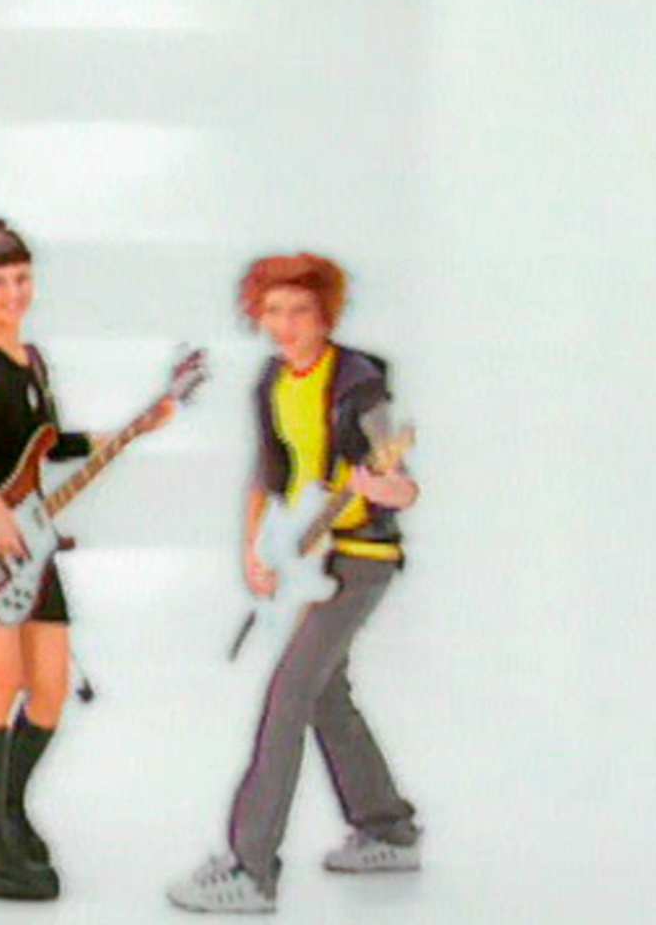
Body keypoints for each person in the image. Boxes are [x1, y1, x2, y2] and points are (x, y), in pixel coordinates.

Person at [0, 214, 174, 901]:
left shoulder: (32, 360)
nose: (13, 292)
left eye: (22, 279)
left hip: (28, 542)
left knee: (51, 690)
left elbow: (48, 445)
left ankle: (7, 814)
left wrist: (129, 431)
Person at [164, 252, 421, 914]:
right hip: (305, 555)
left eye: (299, 311)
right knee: (325, 697)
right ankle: (387, 829)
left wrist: (381, 484)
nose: (285, 325)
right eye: (273, 311)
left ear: (325, 315)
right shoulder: (272, 381)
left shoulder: (359, 384)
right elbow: (268, 476)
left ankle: (251, 869)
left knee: (288, 695)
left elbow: (402, 483)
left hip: (360, 558)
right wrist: (255, 552)